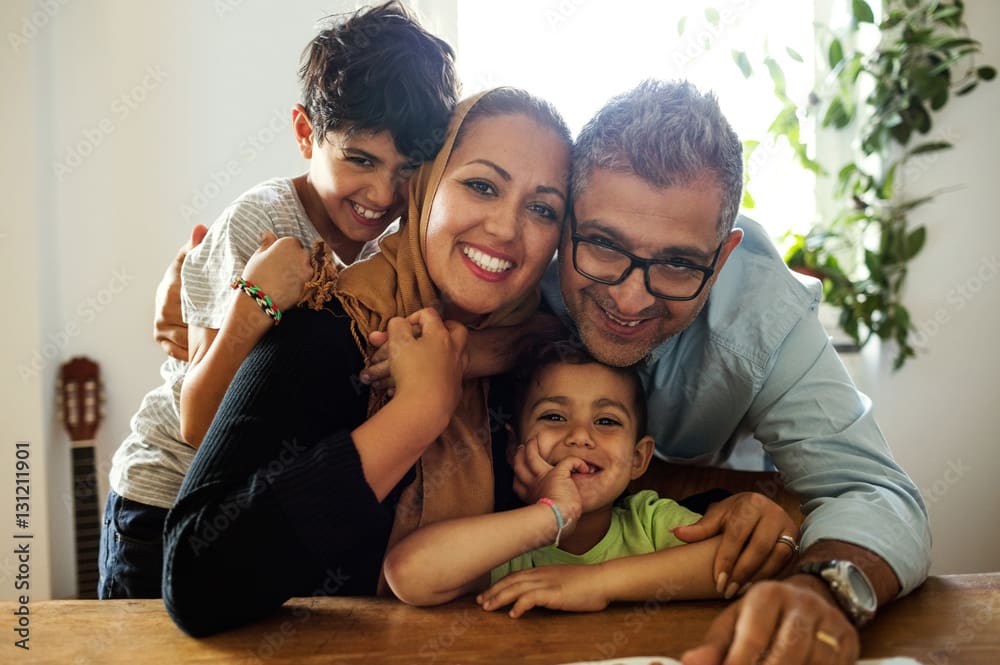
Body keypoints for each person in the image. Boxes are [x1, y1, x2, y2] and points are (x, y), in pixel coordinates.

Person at [542, 79, 930, 664]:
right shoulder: (514, 265)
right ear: (564, 221)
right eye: (602, 245)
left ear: (722, 258)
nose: (628, 298)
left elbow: (875, 492)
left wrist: (825, 590)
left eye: (677, 263)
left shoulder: (764, 312)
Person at [161, 87, 573, 636]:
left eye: (542, 208)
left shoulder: (541, 359)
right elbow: (195, 579)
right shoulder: (329, 324)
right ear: (425, 187)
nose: (505, 228)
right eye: (481, 185)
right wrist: (421, 411)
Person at [99, 1, 458, 599]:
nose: (381, 192)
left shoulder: (400, 244)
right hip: (161, 502)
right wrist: (255, 302)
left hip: (257, 506)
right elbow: (197, 422)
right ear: (304, 133)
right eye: (360, 160)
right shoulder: (260, 224)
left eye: (407, 171)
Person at [384, 346, 787, 616]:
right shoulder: (508, 543)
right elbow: (408, 574)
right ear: (514, 449)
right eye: (554, 417)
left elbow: (740, 561)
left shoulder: (648, 522)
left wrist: (599, 582)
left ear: (638, 458)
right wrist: (551, 517)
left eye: (606, 421)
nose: (580, 435)